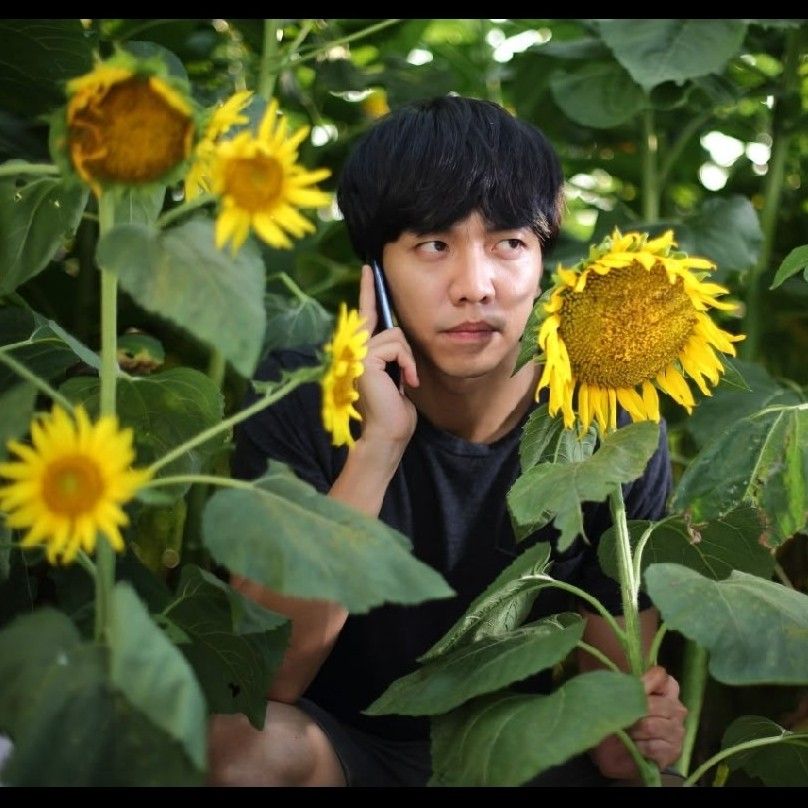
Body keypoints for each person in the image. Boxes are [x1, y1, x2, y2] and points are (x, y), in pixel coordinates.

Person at [207, 95, 687, 787]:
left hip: (513, 756)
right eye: (433, 245)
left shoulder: (609, 427)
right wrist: (378, 447)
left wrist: (638, 725)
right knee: (240, 749)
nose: (475, 286)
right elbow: (267, 677)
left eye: (508, 243)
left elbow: (615, 730)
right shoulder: (303, 396)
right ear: (374, 270)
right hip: (344, 751)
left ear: (545, 260)